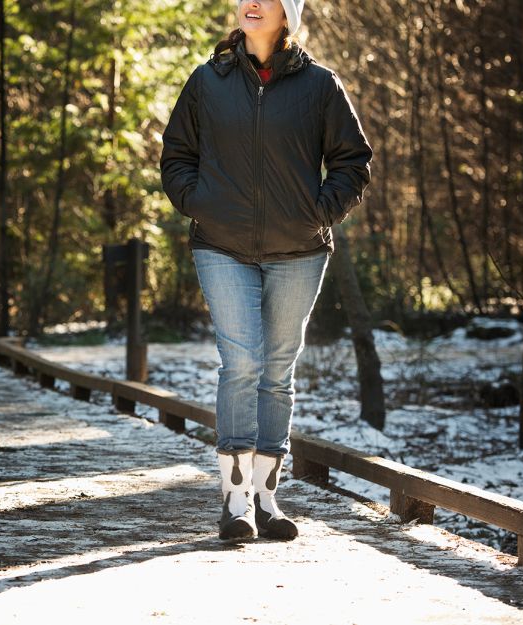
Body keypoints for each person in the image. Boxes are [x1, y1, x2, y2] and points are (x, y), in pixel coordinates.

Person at [160, 0, 372, 542]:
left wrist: (318, 211)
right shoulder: (208, 81)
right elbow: (176, 154)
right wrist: (197, 201)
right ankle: (235, 503)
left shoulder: (321, 85)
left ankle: (268, 498)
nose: (252, 2)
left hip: (298, 250)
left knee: (277, 369)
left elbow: (353, 161)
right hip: (221, 245)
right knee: (242, 362)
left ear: (289, 14)